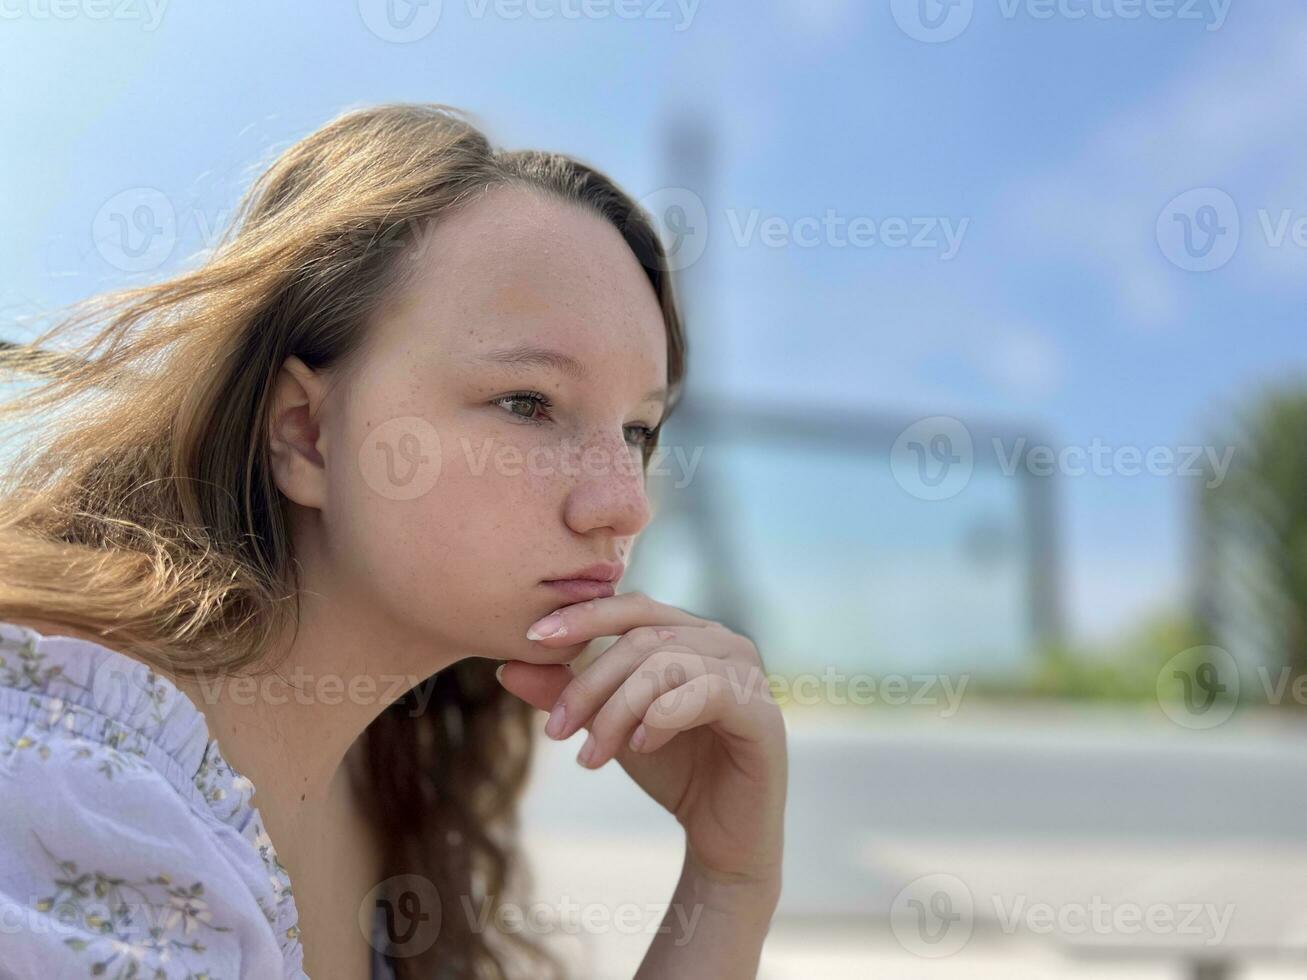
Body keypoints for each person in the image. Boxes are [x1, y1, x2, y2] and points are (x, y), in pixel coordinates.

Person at [0, 102, 787, 979]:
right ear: (306, 434)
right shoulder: (58, 784)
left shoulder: (386, 772)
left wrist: (728, 880)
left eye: (638, 431)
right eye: (528, 403)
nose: (624, 504)